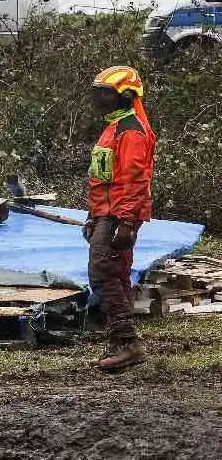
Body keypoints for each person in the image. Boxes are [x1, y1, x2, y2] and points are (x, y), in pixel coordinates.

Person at [83, 64, 155, 372]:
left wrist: (126, 222)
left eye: (105, 94)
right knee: (117, 274)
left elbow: (134, 181)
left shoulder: (131, 131)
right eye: (97, 93)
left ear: (125, 97)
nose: (99, 100)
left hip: (118, 214)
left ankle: (127, 342)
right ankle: (120, 341)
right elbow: (102, 178)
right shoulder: (114, 126)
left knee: (101, 272)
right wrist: (93, 215)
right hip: (107, 212)